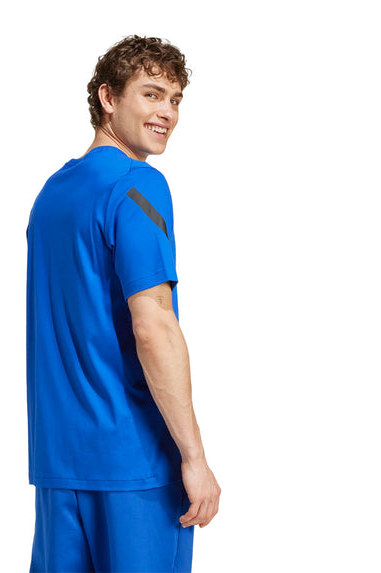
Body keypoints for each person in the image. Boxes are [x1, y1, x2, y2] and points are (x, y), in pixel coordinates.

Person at [26, 35, 221, 573]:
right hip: (133, 464)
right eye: (152, 94)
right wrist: (194, 457)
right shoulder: (138, 186)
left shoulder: (52, 195)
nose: (168, 112)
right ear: (108, 98)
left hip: (59, 465)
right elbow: (153, 325)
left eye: (175, 99)